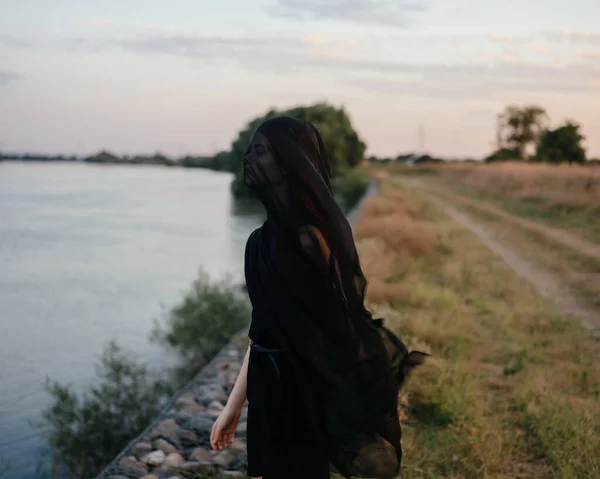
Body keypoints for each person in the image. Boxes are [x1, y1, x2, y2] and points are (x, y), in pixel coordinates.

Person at [210, 117, 426, 479]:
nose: (248, 158)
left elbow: (340, 326)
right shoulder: (258, 242)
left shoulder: (310, 239)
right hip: (267, 390)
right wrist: (233, 408)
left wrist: (364, 399)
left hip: (301, 391)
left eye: (260, 151)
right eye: (250, 150)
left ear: (289, 163)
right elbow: (262, 333)